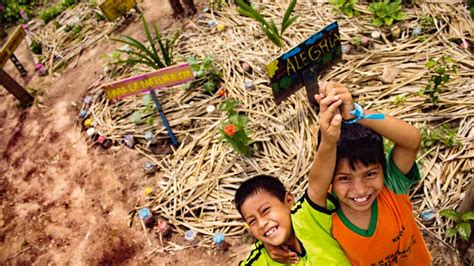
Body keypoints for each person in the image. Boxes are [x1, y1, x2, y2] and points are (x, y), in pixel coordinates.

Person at [267, 81, 431, 264]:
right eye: (344, 178)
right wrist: (328, 141)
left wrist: (358, 114)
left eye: (370, 174)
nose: (360, 190)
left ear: (383, 169)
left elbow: (412, 140)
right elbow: (314, 188)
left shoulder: (392, 185)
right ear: (330, 179)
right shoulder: (326, 213)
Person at [235, 90, 350, 265]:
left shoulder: (310, 218)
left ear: (289, 200)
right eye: (252, 221)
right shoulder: (261, 260)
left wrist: (328, 140)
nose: (262, 223)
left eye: (265, 211)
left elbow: (318, 183)